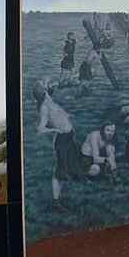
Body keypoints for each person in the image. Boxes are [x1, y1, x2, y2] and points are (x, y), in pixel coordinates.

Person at [34, 78, 83, 211]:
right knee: (59, 172)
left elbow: (58, 115)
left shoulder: (50, 102)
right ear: (44, 91)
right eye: (45, 85)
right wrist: (55, 130)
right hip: (62, 140)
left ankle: (72, 181)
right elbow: (40, 129)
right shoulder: (45, 107)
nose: (49, 85)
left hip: (69, 137)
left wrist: (66, 116)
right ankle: (56, 202)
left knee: (71, 164)